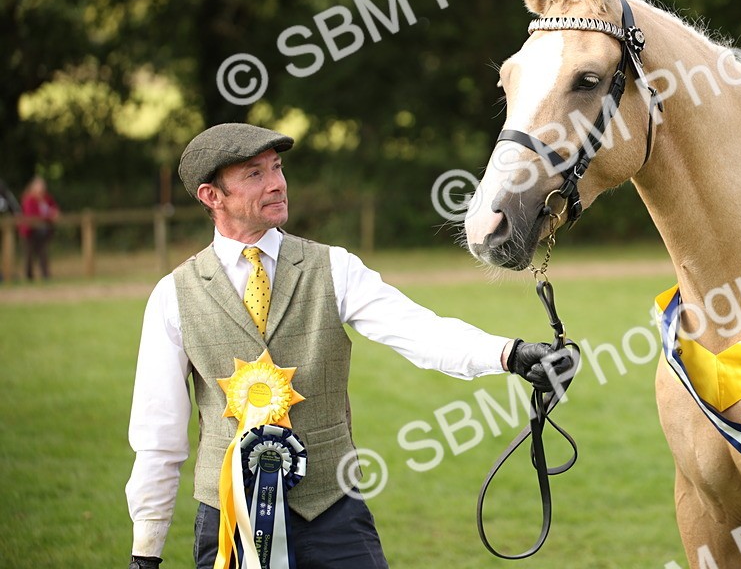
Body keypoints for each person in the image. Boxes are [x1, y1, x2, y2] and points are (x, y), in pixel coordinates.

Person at [125, 123, 572, 569]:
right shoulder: (173, 295)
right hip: (228, 525)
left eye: (277, 168)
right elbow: (158, 434)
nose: (277, 183)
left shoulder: (334, 267)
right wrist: (145, 551)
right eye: (254, 175)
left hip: (334, 514)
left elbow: (417, 329)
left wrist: (509, 353)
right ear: (211, 196)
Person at [19, 176, 59, 281]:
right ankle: (29, 277)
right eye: (39, 186)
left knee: (43, 253)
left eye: (42, 186)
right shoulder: (29, 199)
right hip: (29, 231)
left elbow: (54, 208)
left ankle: (46, 276)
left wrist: (54, 214)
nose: (41, 188)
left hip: (42, 231)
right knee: (29, 255)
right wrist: (49, 216)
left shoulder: (47, 198)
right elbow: (32, 215)